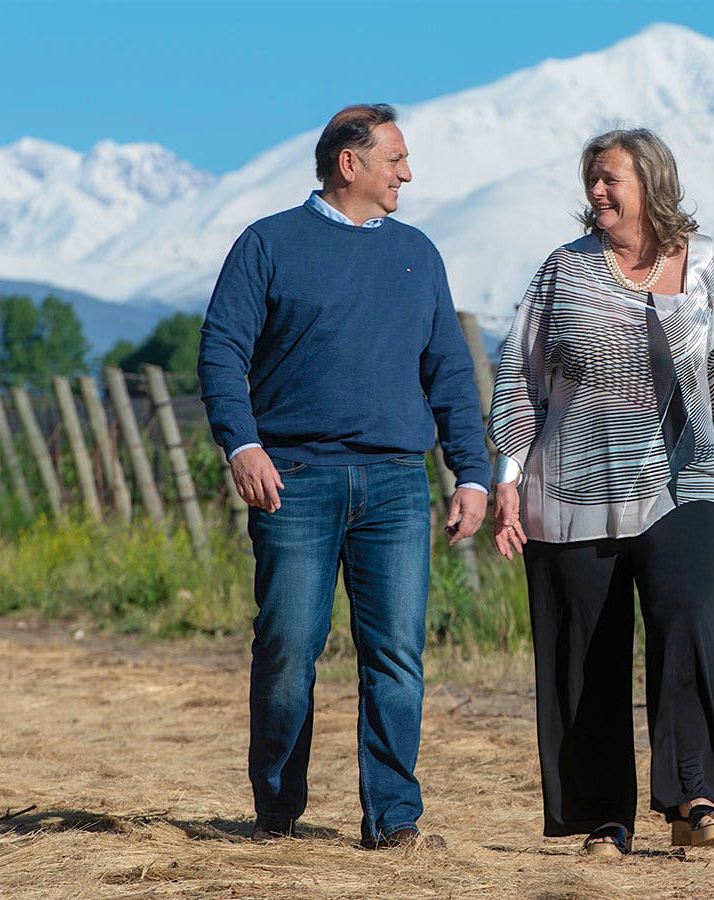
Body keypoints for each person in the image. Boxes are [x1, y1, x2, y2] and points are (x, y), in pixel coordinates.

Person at [487, 128, 714, 857]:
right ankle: (605, 816)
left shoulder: (706, 264)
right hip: (573, 486)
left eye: (610, 179)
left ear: (651, 185)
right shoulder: (563, 270)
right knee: (586, 648)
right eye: (592, 179)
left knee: (683, 615)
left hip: (685, 479)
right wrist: (508, 477)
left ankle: (696, 795)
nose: (596, 191)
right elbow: (521, 375)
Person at [197, 103, 490, 850]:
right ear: (348, 164)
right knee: (287, 649)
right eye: (396, 159)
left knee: (395, 656)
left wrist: (472, 473)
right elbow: (221, 350)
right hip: (293, 479)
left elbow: (450, 371)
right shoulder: (267, 244)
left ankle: (394, 820)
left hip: (396, 482)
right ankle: (276, 810)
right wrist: (242, 445)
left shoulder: (418, 253)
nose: (408, 174)